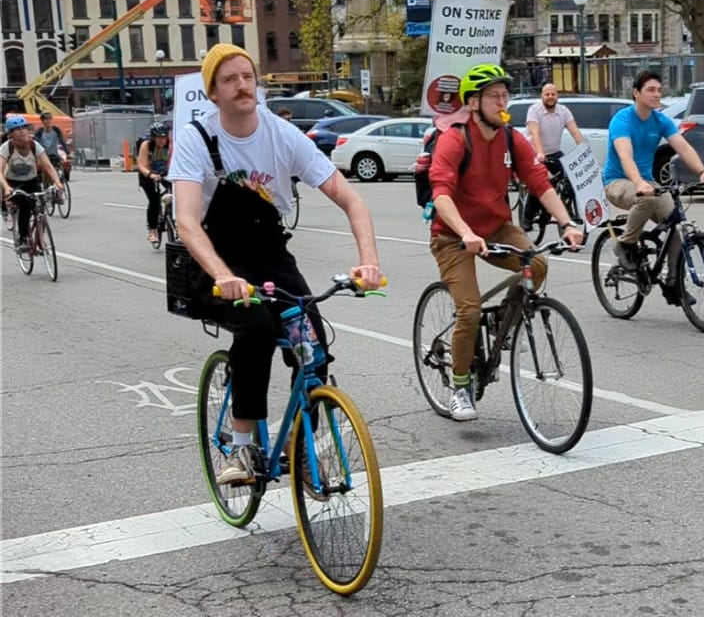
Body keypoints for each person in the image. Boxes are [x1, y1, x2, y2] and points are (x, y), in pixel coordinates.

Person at [169, 44, 383, 484]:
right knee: (258, 328)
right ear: (213, 92)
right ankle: (242, 448)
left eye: (247, 76)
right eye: (229, 79)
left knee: (312, 343)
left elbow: (350, 197)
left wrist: (369, 262)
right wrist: (223, 275)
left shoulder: (281, 134)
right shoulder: (198, 137)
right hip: (216, 260)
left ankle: (300, 448)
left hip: (269, 252)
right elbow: (187, 222)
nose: (242, 85)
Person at [428, 63, 584, 422]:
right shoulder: (455, 139)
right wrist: (465, 232)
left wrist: (567, 222)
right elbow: (441, 195)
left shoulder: (511, 138)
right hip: (454, 236)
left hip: (497, 227)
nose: (503, 102)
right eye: (495, 96)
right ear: (473, 103)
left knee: (537, 264)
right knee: (468, 310)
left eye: (505, 94)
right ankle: (460, 386)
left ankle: (503, 323)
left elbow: (540, 183)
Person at [601, 70, 704, 299]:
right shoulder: (622, 120)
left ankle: (674, 283)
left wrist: (702, 172)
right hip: (618, 181)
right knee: (646, 198)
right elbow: (625, 156)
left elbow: (683, 148)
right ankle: (625, 245)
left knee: (675, 223)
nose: (657, 95)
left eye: (659, 90)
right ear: (636, 93)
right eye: (651, 90)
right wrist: (637, 182)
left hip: (648, 182)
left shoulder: (661, 120)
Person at [521, 83, 585, 231]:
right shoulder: (534, 110)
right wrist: (539, 153)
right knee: (538, 182)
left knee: (569, 178)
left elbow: (575, 132)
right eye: (547, 94)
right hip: (535, 152)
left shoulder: (563, 111)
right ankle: (528, 217)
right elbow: (534, 133)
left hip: (555, 152)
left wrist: (584, 150)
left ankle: (569, 211)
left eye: (553, 94)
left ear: (557, 96)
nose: (550, 97)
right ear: (542, 96)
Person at [1, 116, 65, 251]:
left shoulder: (34, 145)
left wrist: (57, 182)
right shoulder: (7, 148)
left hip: (32, 181)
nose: (21, 131)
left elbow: (47, 166)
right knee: (25, 206)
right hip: (13, 184)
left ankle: (41, 239)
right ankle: (23, 238)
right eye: (17, 130)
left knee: (40, 207)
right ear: (11, 134)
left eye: (23, 128)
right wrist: (6, 188)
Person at [137, 121, 172, 244]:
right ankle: (152, 231)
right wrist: (150, 174)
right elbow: (141, 164)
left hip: (164, 172)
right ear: (153, 137)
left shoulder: (171, 144)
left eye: (164, 137)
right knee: (155, 201)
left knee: (178, 194)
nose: (162, 140)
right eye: (158, 137)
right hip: (148, 174)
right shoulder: (147, 145)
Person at [33, 111, 69, 181]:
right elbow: (36, 145)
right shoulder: (39, 132)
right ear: (42, 121)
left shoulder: (56, 130)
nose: (48, 121)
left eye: (49, 119)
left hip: (54, 155)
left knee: (58, 174)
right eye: (46, 119)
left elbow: (62, 142)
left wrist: (68, 153)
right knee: (45, 175)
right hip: (44, 156)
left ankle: (59, 187)